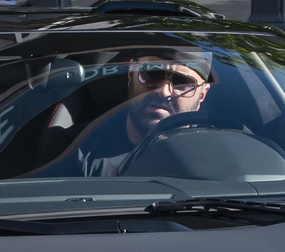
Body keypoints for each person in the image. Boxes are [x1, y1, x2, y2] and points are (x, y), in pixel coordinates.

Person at [52, 52, 216, 177]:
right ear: (131, 74)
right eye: (152, 75)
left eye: (182, 82)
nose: (163, 91)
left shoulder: (222, 157)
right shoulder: (75, 151)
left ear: (202, 94)